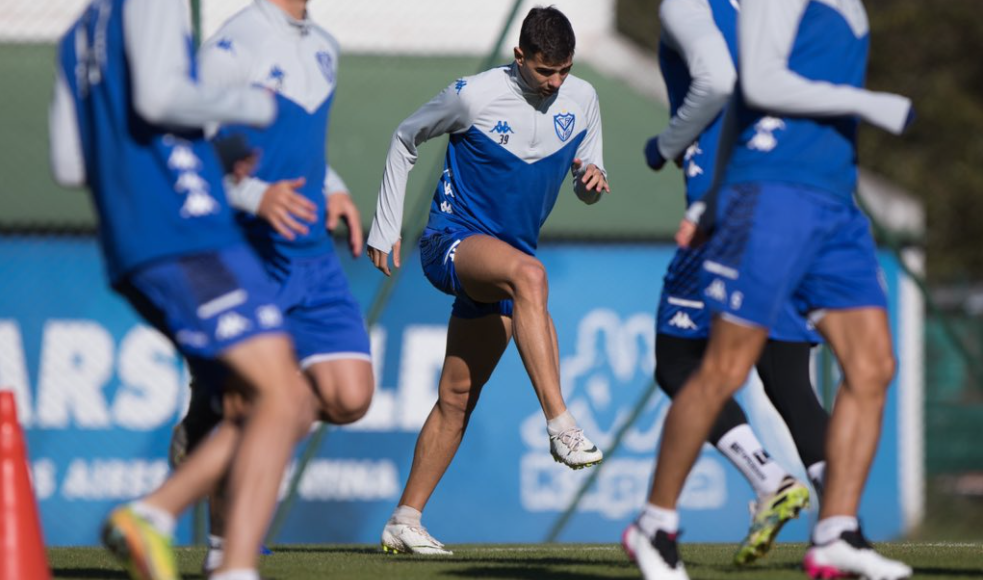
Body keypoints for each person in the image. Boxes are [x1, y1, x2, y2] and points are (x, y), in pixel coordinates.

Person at [624, 0, 915, 577]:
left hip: (834, 200)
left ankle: (837, 532)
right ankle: (655, 526)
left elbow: (737, 107)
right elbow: (751, 85)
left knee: (873, 366)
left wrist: (709, 193)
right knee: (720, 368)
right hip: (773, 195)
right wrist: (869, 103)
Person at [48, 1, 317, 579]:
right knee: (282, 395)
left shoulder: (74, 36)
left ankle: (173, 525)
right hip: (187, 236)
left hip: (132, 248)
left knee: (277, 401)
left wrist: (205, 153)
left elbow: (70, 165)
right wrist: (251, 104)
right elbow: (159, 98)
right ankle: (178, 528)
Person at [366, 6, 609, 555]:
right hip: (451, 241)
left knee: (457, 398)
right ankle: (561, 425)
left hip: (507, 267)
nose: (555, 83)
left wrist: (593, 181)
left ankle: (404, 519)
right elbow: (406, 137)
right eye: (545, 71)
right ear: (519, 56)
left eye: (564, 70)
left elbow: (587, 179)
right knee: (531, 276)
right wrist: (385, 224)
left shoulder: (584, 99)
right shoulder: (472, 95)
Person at [181, 0, 375, 572]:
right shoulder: (235, 42)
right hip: (247, 253)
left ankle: (213, 435)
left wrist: (334, 187)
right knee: (249, 402)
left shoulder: (325, 46)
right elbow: (186, 142)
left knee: (349, 395)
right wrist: (254, 196)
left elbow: (304, 149)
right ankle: (225, 553)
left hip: (312, 256)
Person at [642, 0, 829, 565]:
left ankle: (767, 479)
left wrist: (669, 143)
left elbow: (717, 80)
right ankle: (844, 531)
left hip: (725, 208)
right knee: (787, 376)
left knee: (678, 364)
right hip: (791, 200)